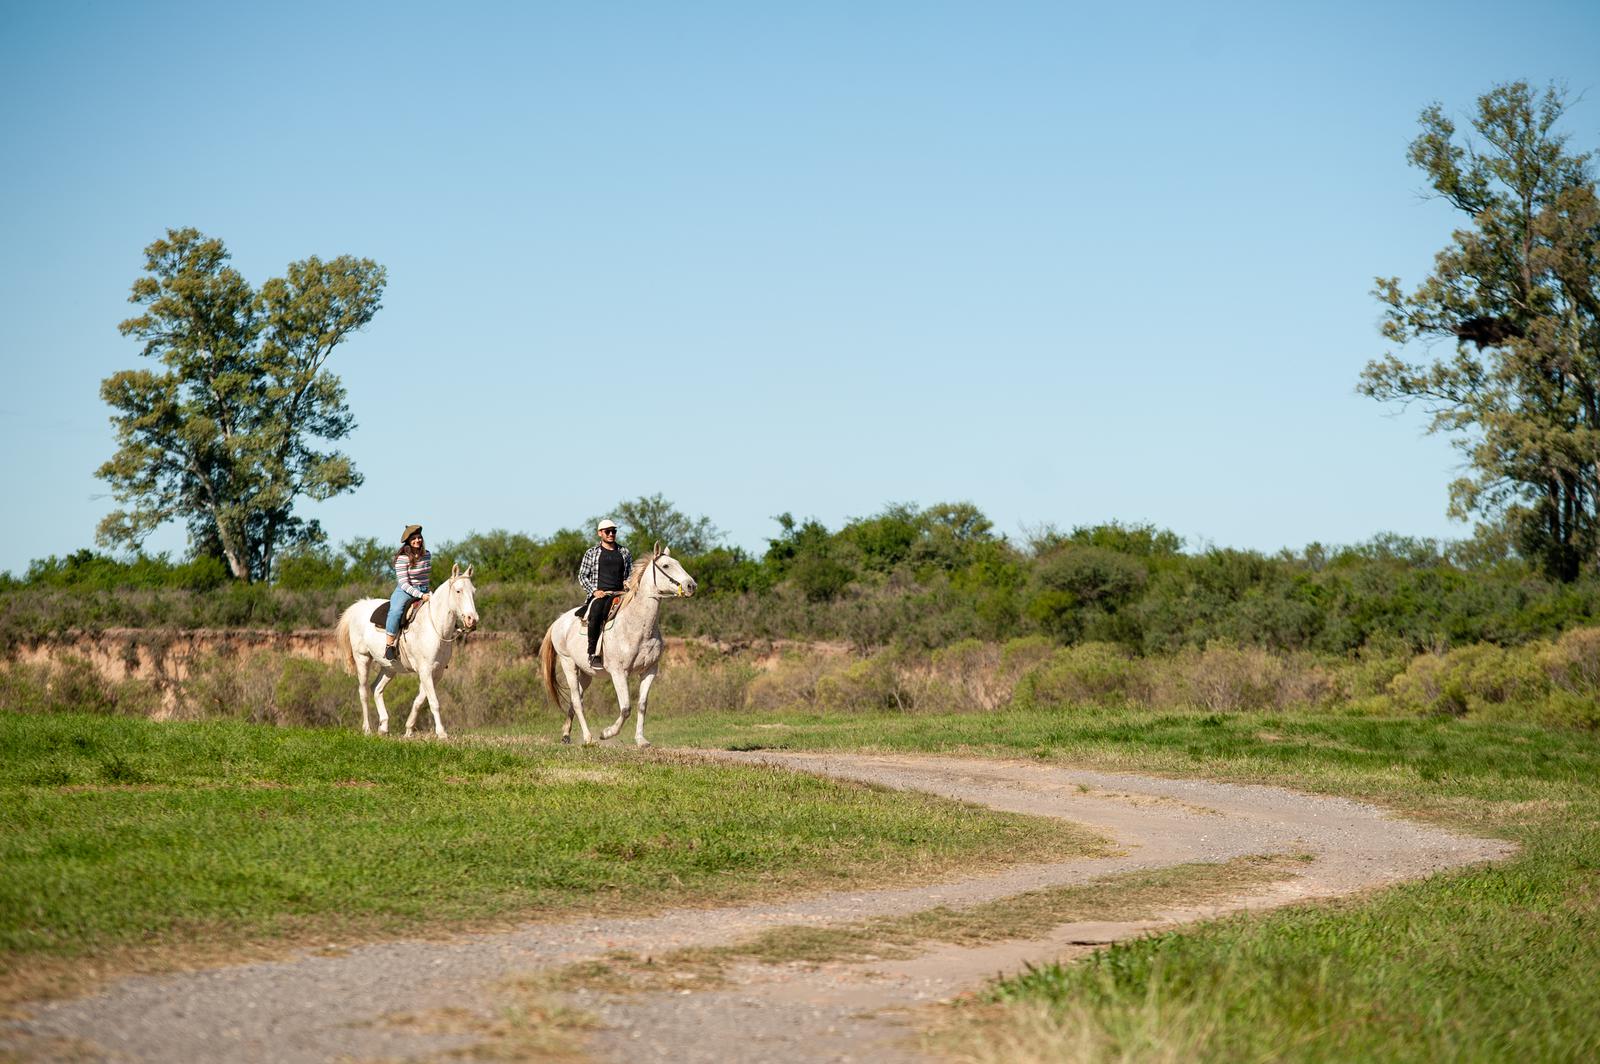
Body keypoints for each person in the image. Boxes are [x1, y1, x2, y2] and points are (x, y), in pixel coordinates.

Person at [578, 518, 632, 668]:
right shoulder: (592, 553)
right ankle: (593, 653)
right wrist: (594, 591)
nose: (611, 534)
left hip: (621, 593)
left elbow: (630, 574)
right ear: (599, 533)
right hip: (601, 594)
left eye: (613, 531)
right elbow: (582, 575)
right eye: (607, 531)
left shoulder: (624, 552)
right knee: (596, 613)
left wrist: (628, 583)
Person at [385, 524, 432, 661]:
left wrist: (427, 592)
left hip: (424, 589)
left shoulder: (427, 555)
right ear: (408, 542)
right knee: (396, 611)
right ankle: (389, 645)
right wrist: (421, 595)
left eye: (419, 537)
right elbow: (404, 583)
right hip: (405, 590)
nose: (417, 540)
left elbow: (425, 577)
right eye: (414, 539)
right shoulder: (402, 558)